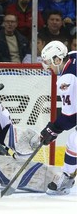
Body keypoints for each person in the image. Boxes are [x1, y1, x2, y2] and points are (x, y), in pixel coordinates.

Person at [40, 40, 77, 195]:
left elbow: (70, 117)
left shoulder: (66, 80)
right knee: (74, 141)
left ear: (58, 59)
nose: (48, 67)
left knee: (75, 141)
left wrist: (53, 129)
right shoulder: (73, 56)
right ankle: (67, 176)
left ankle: (67, 178)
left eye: (49, 63)